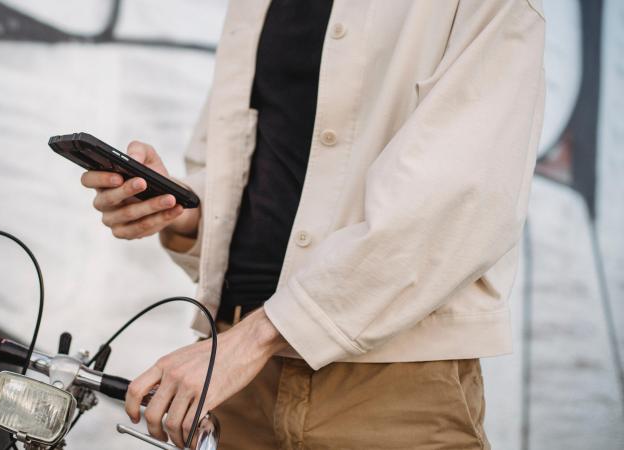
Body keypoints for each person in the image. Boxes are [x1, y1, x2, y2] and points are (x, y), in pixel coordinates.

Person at [80, 0, 546, 448]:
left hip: (392, 380)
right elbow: (260, 173)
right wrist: (180, 211)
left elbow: (459, 201)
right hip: (233, 382)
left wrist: (252, 341)